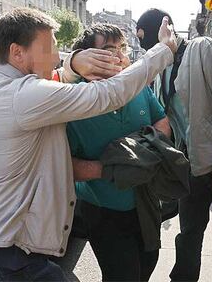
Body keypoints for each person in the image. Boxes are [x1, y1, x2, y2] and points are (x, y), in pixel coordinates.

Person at [0, 7, 176, 281]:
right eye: (49, 48)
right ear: (17, 52)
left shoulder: (3, 86)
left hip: (13, 251)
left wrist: (71, 65)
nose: (55, 57)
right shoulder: (22, 95)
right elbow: (108, 94)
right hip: (9, 259)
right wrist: (164, 49)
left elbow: (56, 83)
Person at [137, 8, 212, 282]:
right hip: (191, 165)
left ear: (167, 27)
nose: (147, 46)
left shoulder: (204, 49)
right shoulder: (159, 67)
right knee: (188, 233)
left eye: (149, 38)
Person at [62, 23, 172, 281]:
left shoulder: (136, 86)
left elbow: (162, 120)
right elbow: (61, 163)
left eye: (122, 48)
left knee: (148, 263)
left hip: (145, 199)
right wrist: (110, 167)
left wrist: (143, 152)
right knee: (122, 275)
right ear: (87, 56)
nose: (120, 56)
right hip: (103, 208)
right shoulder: (70, 99)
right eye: (110, 49)